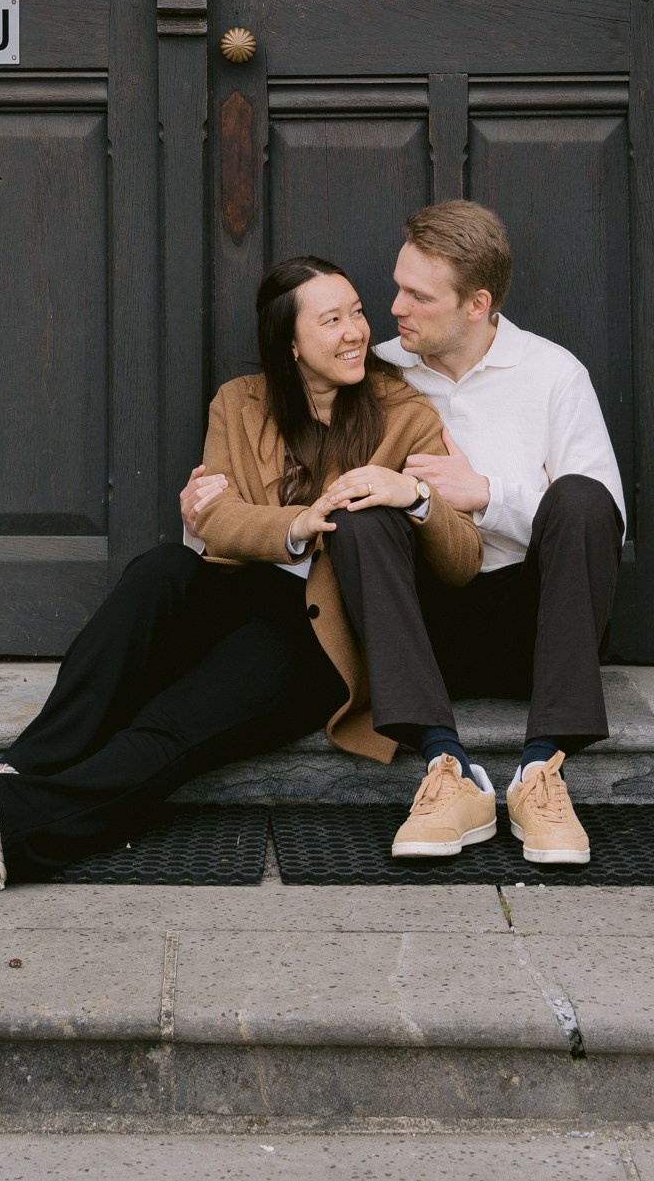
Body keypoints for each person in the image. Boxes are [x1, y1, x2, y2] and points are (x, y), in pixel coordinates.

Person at [0, 255, 493, 887]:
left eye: (357, 313)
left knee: (174, 724)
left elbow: (462, 561)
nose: (355, 332)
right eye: (331, 320)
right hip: (245, 591)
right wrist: (297, 524)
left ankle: (14, 831)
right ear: (289, 343)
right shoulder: (238, 403)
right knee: (159, 570)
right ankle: (10, 776)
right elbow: (214, 515)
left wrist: (416, 497)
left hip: (324, 634)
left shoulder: (405, 414)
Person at [184, 200, 625, 867]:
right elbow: (301, 473)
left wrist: (487, 495)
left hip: (535, 629)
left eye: (417, 296)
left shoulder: (553, 374)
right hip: (413, 626)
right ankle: (446, 768)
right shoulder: (374, 370)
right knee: (360, 506)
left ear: (475, 305)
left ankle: (542, 771)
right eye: (395, 288)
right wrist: (208, 512)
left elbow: (604, 523)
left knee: (582, 495)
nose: (393, 308)